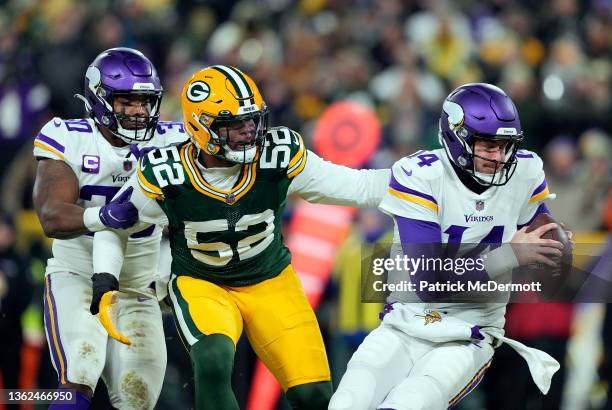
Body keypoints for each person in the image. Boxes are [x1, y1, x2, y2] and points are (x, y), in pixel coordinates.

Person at [90, 65, 390, 410]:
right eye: (234, 124)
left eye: (251, 120)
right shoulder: (166, 172)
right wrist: (105, 277)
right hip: (204, 284)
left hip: (271, 281)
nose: (249, 131)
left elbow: (360, 186)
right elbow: (115, 221)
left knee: (314, 396)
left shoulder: (278, 154)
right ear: (201, 127)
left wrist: (424, 179)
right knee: (214, 361)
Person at [329, 83, 570, 410]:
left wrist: (557, 246)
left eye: (505, 145)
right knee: (345, 403)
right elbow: (429, 282)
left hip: (468, 333)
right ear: (456, 137)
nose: (498, 156)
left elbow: (549, 238)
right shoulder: (422, 174)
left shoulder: (524, 171)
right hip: (406, 323)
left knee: (408, 403)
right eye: (487, 144)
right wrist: (510, 254)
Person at [32, 47, 187, 409]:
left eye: (145, 102)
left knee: (137, 397)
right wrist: (100, 217)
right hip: (78, 277)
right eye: (126, 101)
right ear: (99, 99)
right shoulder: (69, 136)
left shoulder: (174, 141)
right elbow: (51, 216)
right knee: (80, 372)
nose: (138, 111)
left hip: (138, 288)